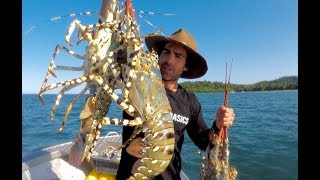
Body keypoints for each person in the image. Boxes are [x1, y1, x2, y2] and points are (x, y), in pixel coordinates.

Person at [116, 28, 236, 179]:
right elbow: (115, 53)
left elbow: (203, 142)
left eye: (178, 56)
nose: (169, 60)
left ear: (186, 65)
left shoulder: (190, 101)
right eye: (166, 52)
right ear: (158, 56)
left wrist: (217, 126)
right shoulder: (137, 84)